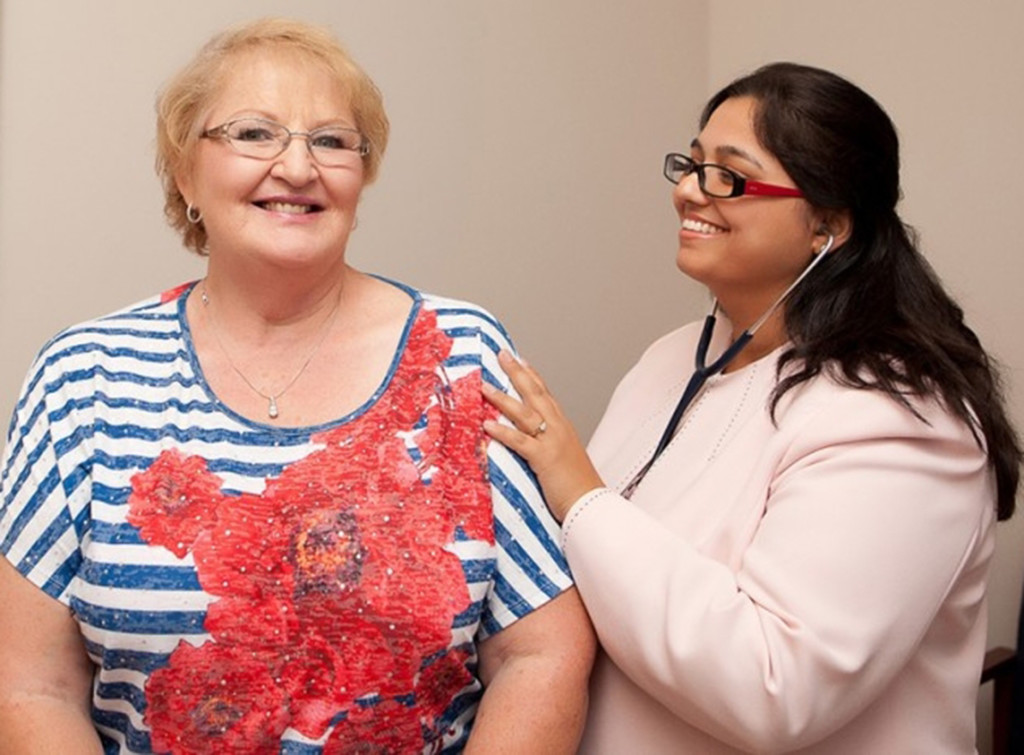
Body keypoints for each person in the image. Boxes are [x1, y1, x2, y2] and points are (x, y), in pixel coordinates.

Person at [0, 17, 594, 754]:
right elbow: (29, 682)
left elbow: (541, 654)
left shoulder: (459, 356)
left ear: (362, 174)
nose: (297, 166)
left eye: (332, 140)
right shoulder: (82, 375)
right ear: (186, 173)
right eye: (254, 133)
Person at [483, 62, 1021, 753]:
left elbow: (775, 689)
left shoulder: (903, 417)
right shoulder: (672, 356)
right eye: (691, 164)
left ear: (826, 226)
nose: (687, 192)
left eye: (727, 177)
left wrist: (578, 493)